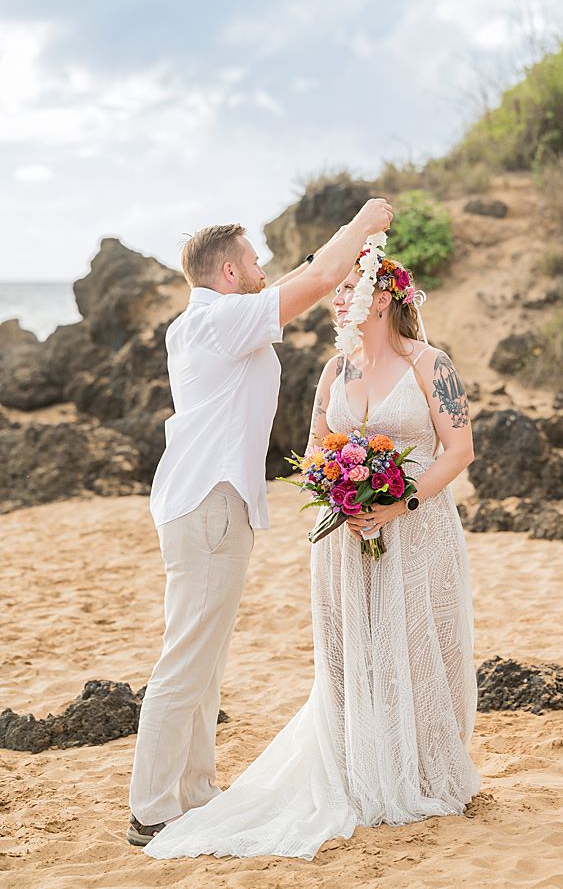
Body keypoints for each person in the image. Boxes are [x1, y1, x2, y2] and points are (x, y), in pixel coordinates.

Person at [142, 253, 478, 859]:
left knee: (421, 646)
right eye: (337, 288)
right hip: (347, 537)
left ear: (382, 297)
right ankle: (359, 770)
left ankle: (425, 773)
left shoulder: (431, 364)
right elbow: (315, 454)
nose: (337, 297)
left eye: (350, 288)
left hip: (419, 531)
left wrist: (401, 503)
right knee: (354, 656)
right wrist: (340, 494)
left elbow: (459, 449)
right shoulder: (333, 373)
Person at [128, 199, 393, 847]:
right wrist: (361, 224)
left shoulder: (207, 320)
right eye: (252, 259)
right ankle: (150, 808)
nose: (261, 266)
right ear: (227, 273)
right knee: (187, 658)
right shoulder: (221, 321)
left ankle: (192, 794)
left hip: (208, 505)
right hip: (211, 505)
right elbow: (315, 281)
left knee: (203, 659)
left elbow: (298, 277)